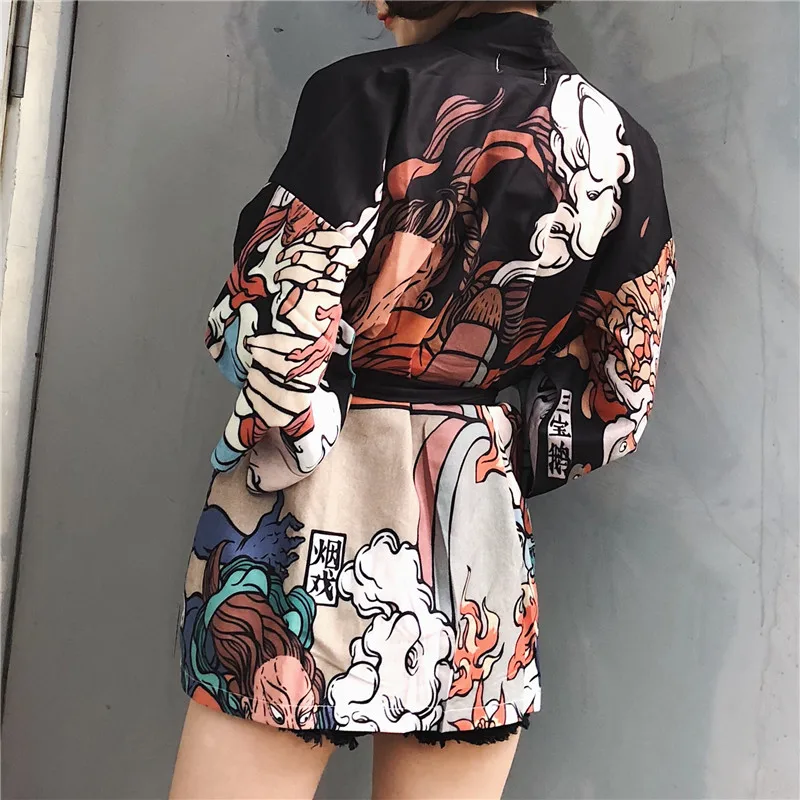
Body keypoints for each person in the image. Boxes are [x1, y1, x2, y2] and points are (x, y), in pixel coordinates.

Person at [169, 1, 676, 797]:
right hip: (477, 533)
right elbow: (621, 397)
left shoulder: (368, 93)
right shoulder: (622, 148)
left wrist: (296, 433)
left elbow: (276, 328)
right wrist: (485, 437)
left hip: (313, 506)